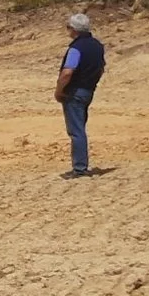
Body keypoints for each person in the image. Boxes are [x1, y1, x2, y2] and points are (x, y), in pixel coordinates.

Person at [54, 12, 105, 178]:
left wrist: (59, 90)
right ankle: (80, 166)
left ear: (74, 29)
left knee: (76, 131)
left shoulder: (76, 48)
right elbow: (101, 68)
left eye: (68, 27)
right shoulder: (97, 45)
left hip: (75, 92)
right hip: (89, 90)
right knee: (80, 127)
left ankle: (80, 168)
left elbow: (67, 72)